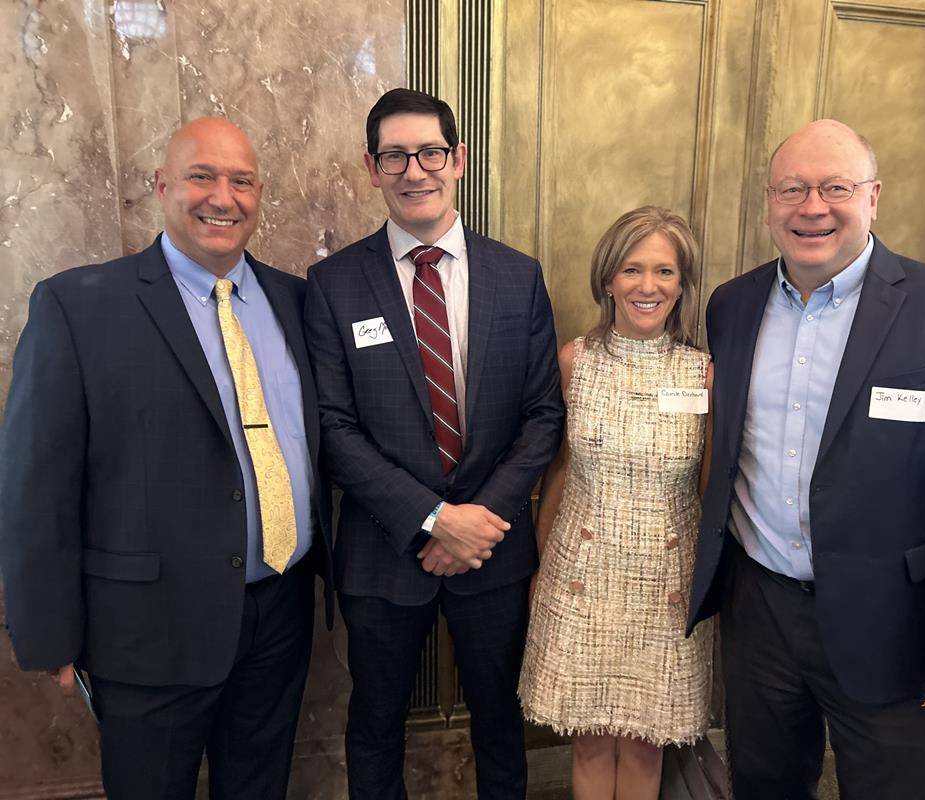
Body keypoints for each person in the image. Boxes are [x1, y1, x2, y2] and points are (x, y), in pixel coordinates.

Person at [687, 119, 925, 799]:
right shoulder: (732, 304)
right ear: (768, 204)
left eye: (834, 187)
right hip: (760, 613)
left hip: (892, 621)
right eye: (792, 189)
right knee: (764, 784)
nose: (812, 207)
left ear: (873, 197)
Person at [0, 117, 333, 799]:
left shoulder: (296, 300)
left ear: (259, 193)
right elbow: (36, 482)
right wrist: (49, 631)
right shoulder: (78, 305)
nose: (223, 197)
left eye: (241, 181)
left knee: (258, 785)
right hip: (147, 631)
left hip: (280, 611)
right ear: (160, 186)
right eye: (201, 176)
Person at [303, 88, 564, 799]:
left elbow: (543, 416)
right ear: (371, 166)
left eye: (429, 152)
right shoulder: (331, 286)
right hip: (385, 550)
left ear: (458, 160)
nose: (414, 169)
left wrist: (476, 520)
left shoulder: (517, 276)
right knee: (376, 721)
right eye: (395, 155)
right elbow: (331, 427)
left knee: (499, 720)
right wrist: (432, 517)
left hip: (493, 546)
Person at [519, 206, 714, 800]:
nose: (647, 286)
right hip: (580, 575)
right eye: (632, 270)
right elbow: (558, 473)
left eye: (664, 272)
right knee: (590, 737)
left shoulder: (702, 373)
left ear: (682, 284)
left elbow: (708, 490)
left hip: (665, 584)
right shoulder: (575, 362)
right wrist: (538, 566)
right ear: (608, 279)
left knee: (646, 739)